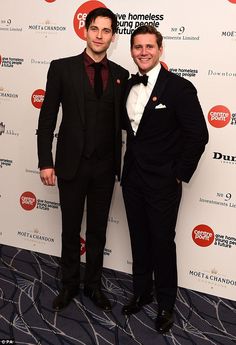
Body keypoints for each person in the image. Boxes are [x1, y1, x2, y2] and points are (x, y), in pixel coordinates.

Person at [37, 7, 129, 312]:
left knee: (98, 231)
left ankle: (93, 286)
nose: (100, 35)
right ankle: (69, 285)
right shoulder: (61, 68)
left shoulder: (121, 75)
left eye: (106, 31)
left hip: (105, 168)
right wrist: (45, 161)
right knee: (70, 228)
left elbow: (127, 122)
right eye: (95, 29)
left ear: (112, 36)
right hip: (71, 164)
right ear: (85, 31)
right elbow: (48, 117)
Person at [121, 25, 208, 333]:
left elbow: (198, 135)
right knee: (139, 239)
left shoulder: (179, 88)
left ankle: (166, 304)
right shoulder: (127, 86)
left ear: (160, 49)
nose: (143, 52)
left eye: (149, 46)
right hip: (132, 178)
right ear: (131, 50)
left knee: (161, 242)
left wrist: (178, 175)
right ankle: (142, 292)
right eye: (137, 47)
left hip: (163, 182)